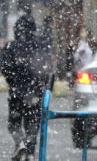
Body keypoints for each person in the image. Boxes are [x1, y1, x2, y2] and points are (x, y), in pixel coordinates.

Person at [0, 14, 50, 161]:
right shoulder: (40, 46)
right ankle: (30, 152)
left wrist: (13, 82)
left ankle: (19, 142)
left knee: (14, 122)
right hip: (34, 92)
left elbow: (5, 67)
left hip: (17, 91)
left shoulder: (11, 46)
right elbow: (45, 69)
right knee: (32, 122)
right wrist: (41, 85)